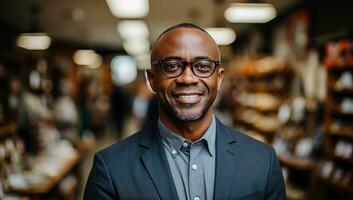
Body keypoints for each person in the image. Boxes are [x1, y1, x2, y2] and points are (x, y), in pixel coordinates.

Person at [84, 23, 286, 200]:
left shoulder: (263, 161)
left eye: (202, 66)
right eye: (172, 66)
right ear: (152, 79)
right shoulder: (111, 169)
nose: (188, 78)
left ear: (219, 78)